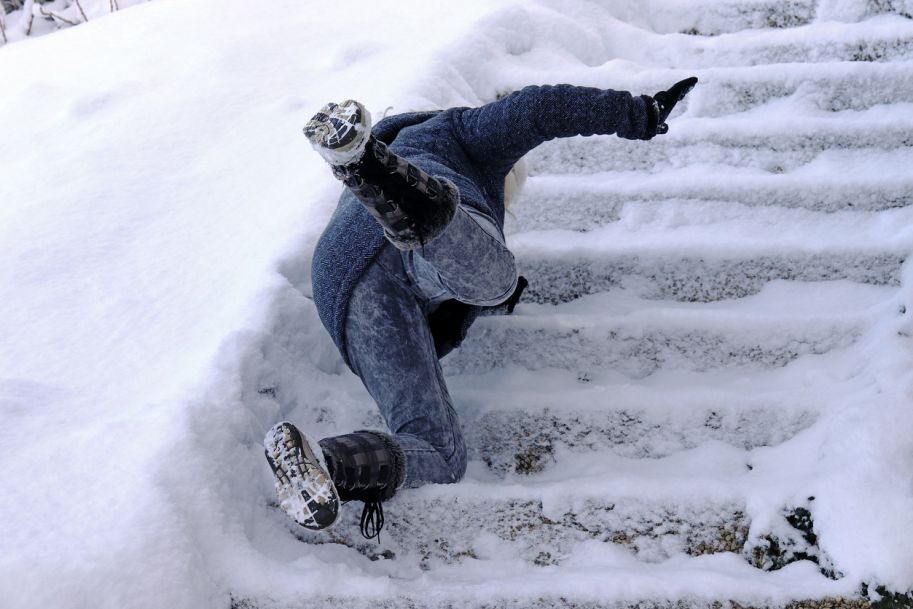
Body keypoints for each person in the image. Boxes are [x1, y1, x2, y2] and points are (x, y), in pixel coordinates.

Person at [264, 78, 699, 540]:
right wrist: (639, 113)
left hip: (340, 280)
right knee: (494, 279)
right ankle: (417, 203)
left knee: (442, 453)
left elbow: (439, 319)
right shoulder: (454, 131)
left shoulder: (370, 191)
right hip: (407, 243)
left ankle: (329, 466)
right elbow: (538, 109)